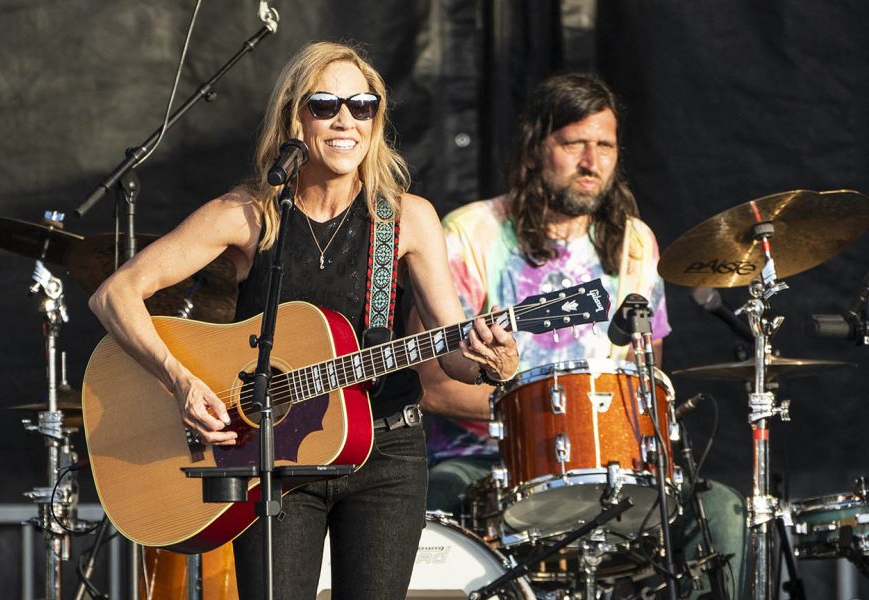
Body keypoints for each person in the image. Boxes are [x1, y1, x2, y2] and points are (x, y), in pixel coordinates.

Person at [88, 41, 518, 600]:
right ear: (296, 115)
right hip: (277, 458)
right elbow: (115, 294)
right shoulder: (251, 214)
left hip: (386, 453)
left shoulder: (407, 218)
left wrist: (492, 363)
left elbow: (454, 351)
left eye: (363, 107)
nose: (347, 121)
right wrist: (180, 380)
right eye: (326, 105)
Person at [415, 73, 747, 598]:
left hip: (608, 469)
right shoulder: (468, 234)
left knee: (723, 513)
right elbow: (432, 385)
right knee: (423, 502)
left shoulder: (635, 244)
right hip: (481, 463)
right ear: (533, 149)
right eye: (573, 143)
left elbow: (645, 378)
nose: (591, 161)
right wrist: (539, 420)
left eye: (605, 145)